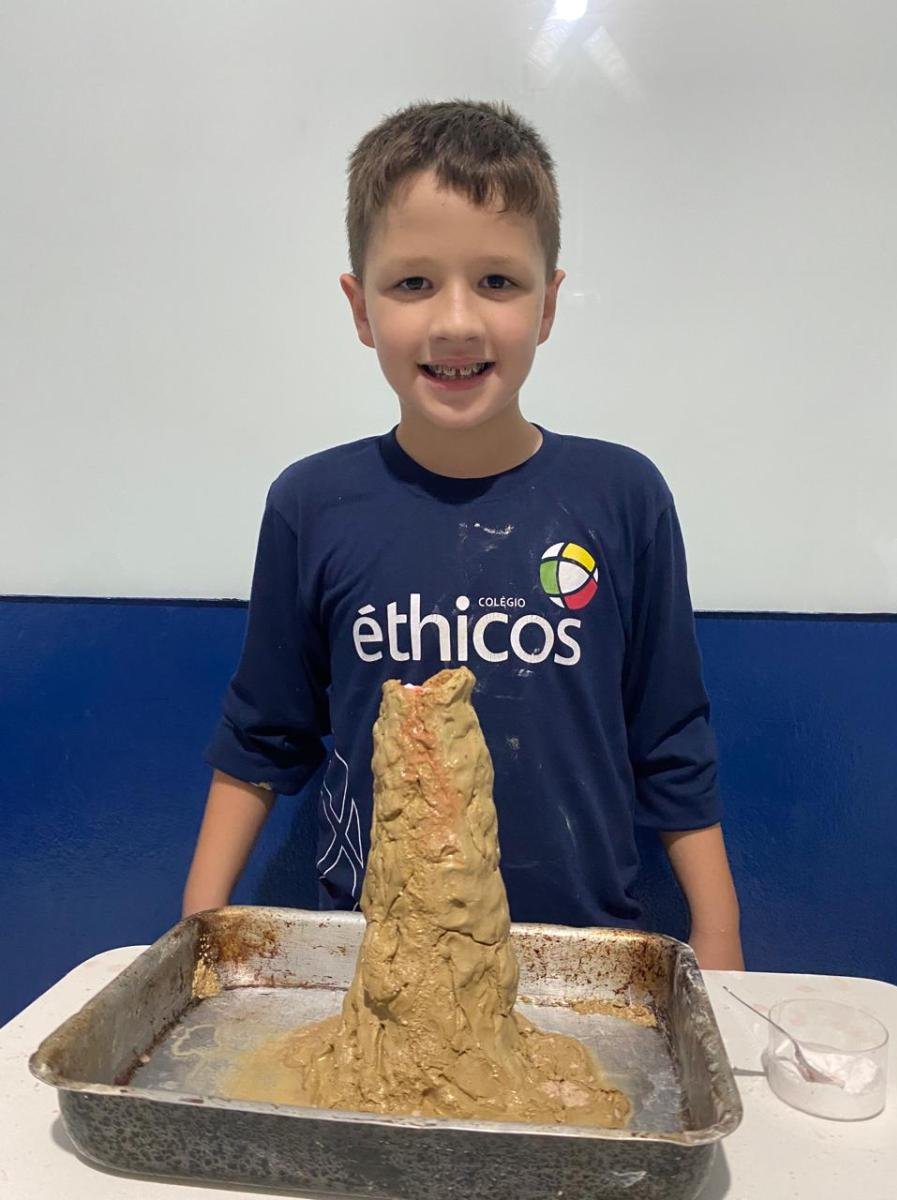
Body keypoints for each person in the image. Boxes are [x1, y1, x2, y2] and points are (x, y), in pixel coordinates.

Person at [183, 98, 744, 970]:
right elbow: (262, 738)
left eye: (497, 282)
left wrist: (720, 935)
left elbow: (669, 740)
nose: (455, 322)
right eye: (412, 283)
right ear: (360, 308)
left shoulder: (624, 497)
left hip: (580, 959)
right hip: (376, 958)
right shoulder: (312, 504)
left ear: (548, 303)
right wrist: (197, 926)